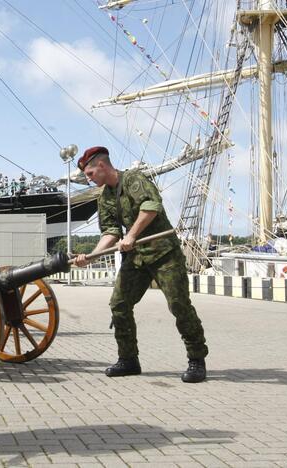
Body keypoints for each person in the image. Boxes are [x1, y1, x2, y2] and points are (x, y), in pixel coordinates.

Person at [72, 146, 208, 383]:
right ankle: (128, 360)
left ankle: (196, 359)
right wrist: (92, 256)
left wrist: (132, 235)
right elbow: (111, 232)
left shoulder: (134, 179)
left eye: (90, 173)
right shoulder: (104, 197)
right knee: (119, 304)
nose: (88, 178)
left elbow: (150, 207)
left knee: (179, 305)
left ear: (102, 166)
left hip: (163, 253)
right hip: (136, 259)